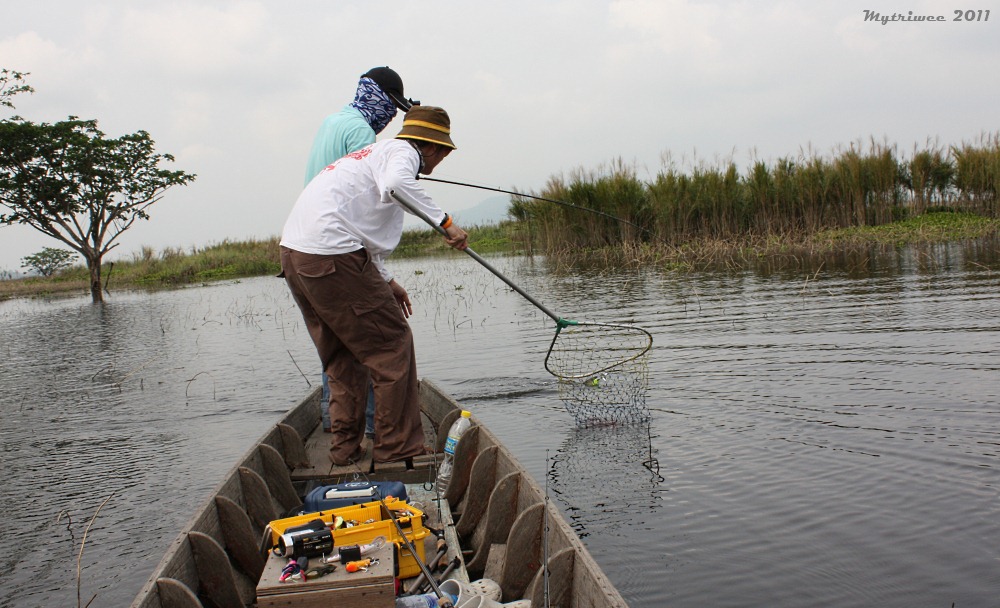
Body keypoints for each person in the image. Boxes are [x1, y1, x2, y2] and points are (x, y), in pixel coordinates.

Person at [280, 105, 468, 465]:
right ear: (428, 146)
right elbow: (399, 186)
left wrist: (386, 281)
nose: (442, 158)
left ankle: (344, 449)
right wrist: (446, 224)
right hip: (331, 256)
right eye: (443, 151)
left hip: (297, 256)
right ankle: (398, 447)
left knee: (343, 356)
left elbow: (359, 227)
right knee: (392, 345)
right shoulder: (402, 153)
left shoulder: (372, 155)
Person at [304, 66, 416, 438]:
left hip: (309, 245)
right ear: (377, 97)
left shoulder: (332, 121)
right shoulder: (360, 133)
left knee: (337, 340)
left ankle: (331, 419)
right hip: (340, 248)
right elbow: (372, 200)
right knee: (375, 340)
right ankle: (372, 426)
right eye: (391, 106)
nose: (391, 117)